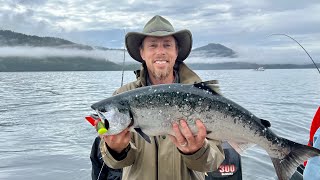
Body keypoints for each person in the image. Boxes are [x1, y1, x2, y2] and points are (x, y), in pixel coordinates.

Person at [91, 15, 225, 180]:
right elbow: (114, 163)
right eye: (152, 45)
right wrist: (116, 150)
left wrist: (197, 151)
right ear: (142, 53)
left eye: (167, 45)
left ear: (176, 51)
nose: (160, 51)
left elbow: (214, 161)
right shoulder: (121, 96)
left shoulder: (202, 97)